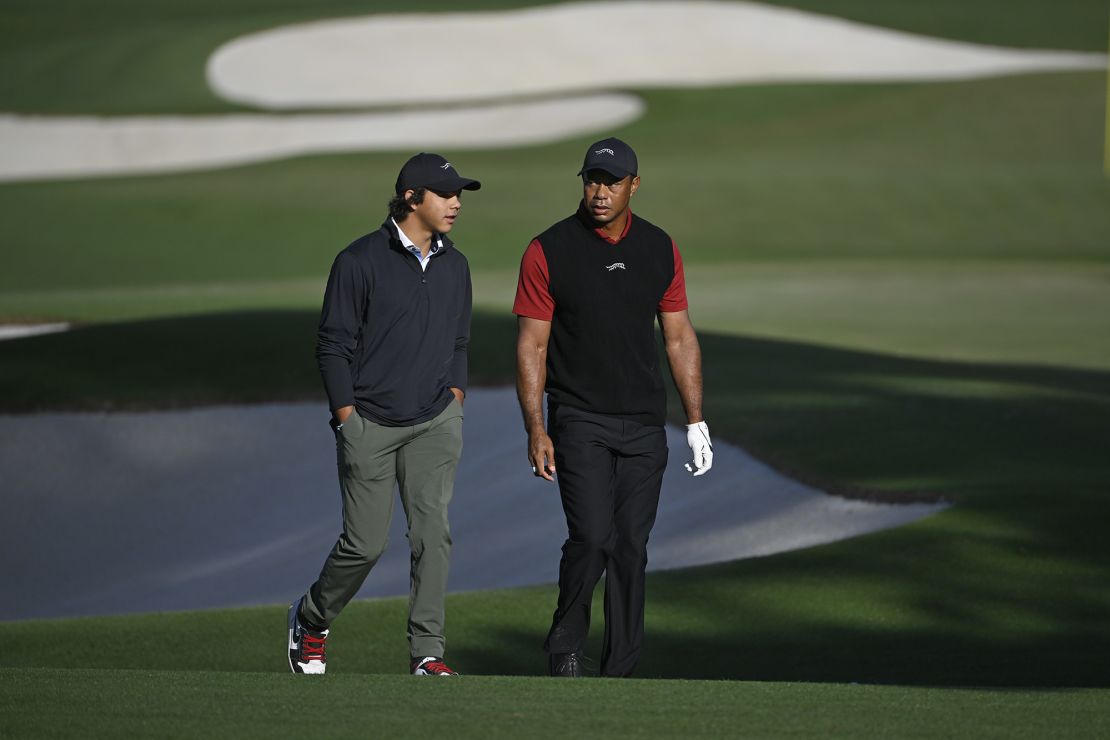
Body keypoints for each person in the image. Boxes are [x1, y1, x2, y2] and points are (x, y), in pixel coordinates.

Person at [513, 136, 713, 678]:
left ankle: (620, 671)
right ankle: (565, 649)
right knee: (594, 537)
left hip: (645, 422)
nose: (600, 192)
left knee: (631, 548)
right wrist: (536, 428)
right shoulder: (548, 249)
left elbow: (678, 337)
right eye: (592, 181)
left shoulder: (660, 248)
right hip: (579, 417)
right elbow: (531, 345)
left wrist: (696, 420)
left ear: (634, 185)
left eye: (612, 182)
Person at [287, 152, 480, 676]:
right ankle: (311, 618)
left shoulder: (455, 264)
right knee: (364, 545)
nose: (456, 203)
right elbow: (332, 345)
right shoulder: (359, 261)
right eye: (445, 194)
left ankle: (428, 653)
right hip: (369, 421)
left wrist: (456, 395)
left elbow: (460, 340)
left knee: (431, 535)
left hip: (436, 420)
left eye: (459, 194)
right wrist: (346, 417)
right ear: (412, 198)